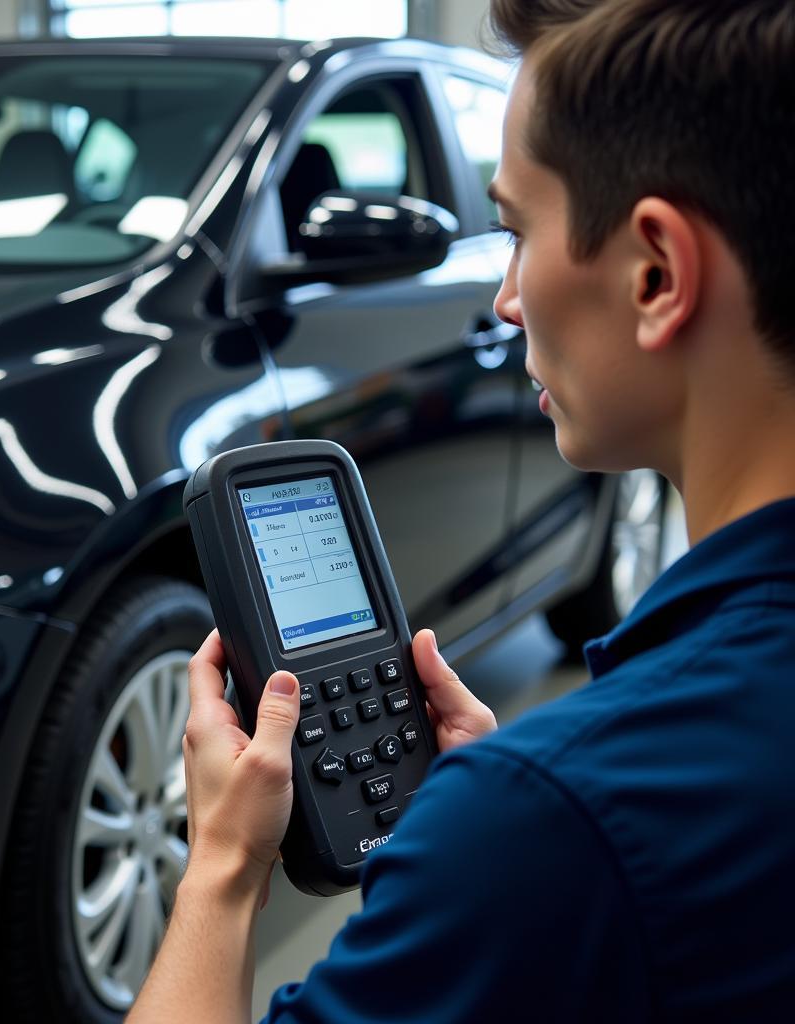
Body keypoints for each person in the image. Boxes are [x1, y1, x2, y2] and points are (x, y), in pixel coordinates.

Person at [130, 0, 795, 1019]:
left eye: (516, 230)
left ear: (656, 273)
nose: (504, 300)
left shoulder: (549, 825)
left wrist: (221, 865)